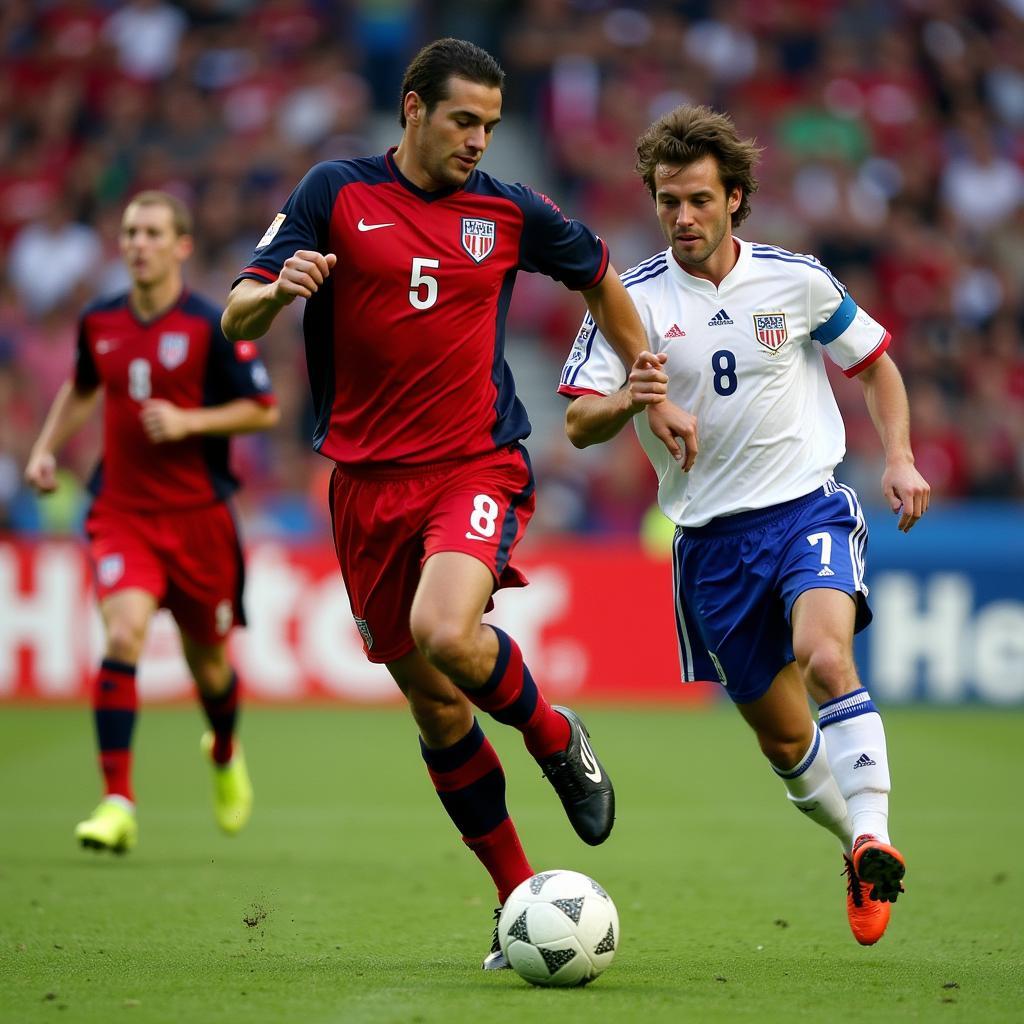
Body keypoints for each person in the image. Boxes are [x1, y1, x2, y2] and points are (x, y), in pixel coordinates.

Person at [222, 38, 690, 969]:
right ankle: (517, 897)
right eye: (463, 120)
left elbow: (600, 273)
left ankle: (558, 737)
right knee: (436, 709)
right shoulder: (335, 193)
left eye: (491, 125)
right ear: (412, 109)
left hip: (474, 464)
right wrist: (276, 294)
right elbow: (235, 309)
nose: (479, 139)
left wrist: (647, 379)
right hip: (363, 487)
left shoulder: (509, 209)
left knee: (445, 629)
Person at [558, 105, 930, 947]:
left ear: (734, 199)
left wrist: (899, 457)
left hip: (806, 507)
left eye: (696, 200)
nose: (681, 218)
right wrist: (634, 398)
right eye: (666, 201)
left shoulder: (795, 279)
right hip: (709, 548)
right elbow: (579, 424)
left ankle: (875, 828)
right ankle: (855, 847)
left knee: (826, 655)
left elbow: (878, 369)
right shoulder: (633, 301)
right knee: (786, 740)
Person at [25, 190, 279, 854]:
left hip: (199, 520)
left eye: (153, 232)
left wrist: (192, 420)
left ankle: (223, 749)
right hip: (122, 513)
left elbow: (263, 410)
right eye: (131, 232)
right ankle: (117, 801)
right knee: (125, 633)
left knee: (211, 670)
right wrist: (46, 449)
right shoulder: (100, 321)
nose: (138, 243)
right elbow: (83, 387)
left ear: (181, 245)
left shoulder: (209, 324)